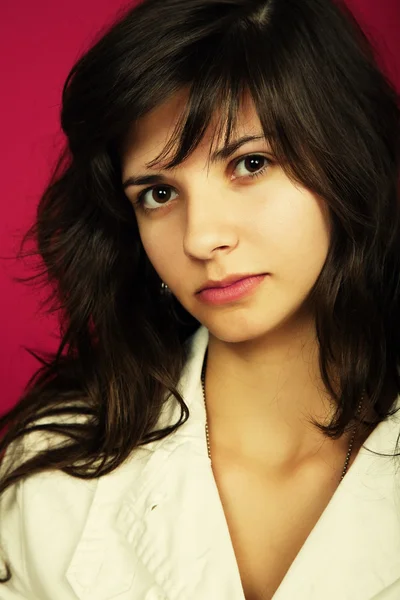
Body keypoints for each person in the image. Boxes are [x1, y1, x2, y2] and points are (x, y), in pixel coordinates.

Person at [1, 0, 400, 598]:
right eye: (159, 193)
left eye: (251, 163)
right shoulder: (51, 475)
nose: (201, 237)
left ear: (349, 158)